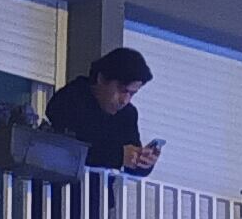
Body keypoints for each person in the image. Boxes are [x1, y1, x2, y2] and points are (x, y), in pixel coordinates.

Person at [45, 44, 160, 175]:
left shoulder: (128, 114)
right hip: (60, 191)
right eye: (123, 90)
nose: (125, 100)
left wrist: (144, 161)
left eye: (132, 94)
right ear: (101, 79)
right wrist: (119, 156)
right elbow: (68, 149)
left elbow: (132, 165)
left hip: (100, 193)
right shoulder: (72, 97)